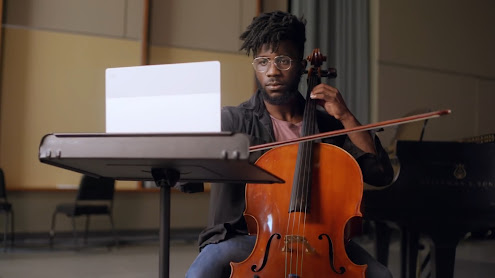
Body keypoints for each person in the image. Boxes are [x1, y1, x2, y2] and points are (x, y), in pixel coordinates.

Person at [185, 10, 394, 278]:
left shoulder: (328, 126)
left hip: (322, 239)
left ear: (300, 64)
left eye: (283, 60)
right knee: (203, 269)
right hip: (247, 240)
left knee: (381, 275)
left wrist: (345, 116)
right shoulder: (232, 121)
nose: (272, 71)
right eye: (262, 62)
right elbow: (187, 177)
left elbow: (379, 173)